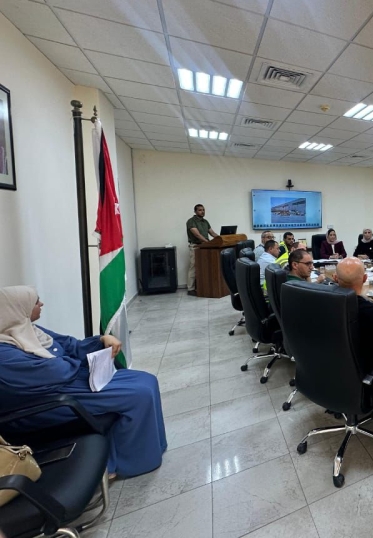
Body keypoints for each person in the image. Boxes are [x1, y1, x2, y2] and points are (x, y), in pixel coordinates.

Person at [0, 286, 167, 478]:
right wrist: (83, 361)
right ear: (16, 309)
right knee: (138, 394)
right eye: (35, 301)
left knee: (147, 380)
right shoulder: (4, 353)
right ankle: (127, 463)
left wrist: (102, 340)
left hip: (70, 382)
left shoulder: (30, 329)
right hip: (48, 400)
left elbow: (70, 345)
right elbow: (53, 372)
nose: (41, 304)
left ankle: (153, 447)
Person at [186, 204, 219, 296]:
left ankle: (203, 286)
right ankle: (190, 289)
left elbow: (212, 233)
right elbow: (197, 234)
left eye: (203, 210)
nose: (202, 211)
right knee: (193, 266)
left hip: (205, 246)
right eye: (200, 210)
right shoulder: (191, 221)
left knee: (205, 267)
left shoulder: (205, 222)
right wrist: (207, 241)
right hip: (195, 246)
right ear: (195, 211)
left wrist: (221, 238)